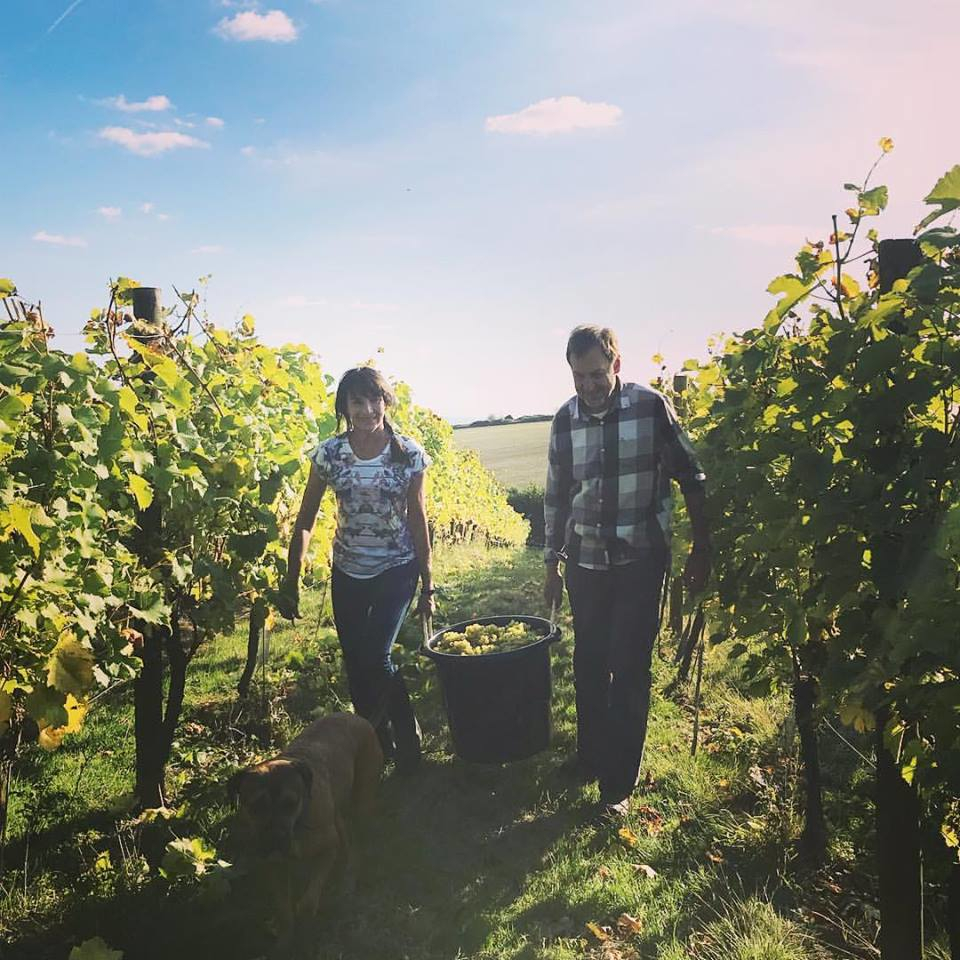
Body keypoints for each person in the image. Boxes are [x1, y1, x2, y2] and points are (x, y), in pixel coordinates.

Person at [543, 326, 711, 817]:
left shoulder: (650, 406)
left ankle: (617, 788)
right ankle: (591, 757)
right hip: (586, 562)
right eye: (580, 377)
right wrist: (552, 562)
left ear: (616, 365)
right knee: (589, 664)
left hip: (640, 560)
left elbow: (691, 475)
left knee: (630, 669)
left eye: (597, 374)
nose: (590, 386)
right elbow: (555, 496)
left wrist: (702, 548)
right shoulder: (563, 420)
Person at [278, 366, 435, 771]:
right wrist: (292, 577)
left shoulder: (408, 453)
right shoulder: (330, 453)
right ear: (344, 408)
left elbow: (418, 518)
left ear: (386, 401)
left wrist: (428, 581)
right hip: (348, 569)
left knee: (376, 657)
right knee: (355, 662)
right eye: (357, 402)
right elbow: (307, 518)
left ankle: (408, 738)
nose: (367, 410)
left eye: (374, 400)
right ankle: (376, 746)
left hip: (396, 568)